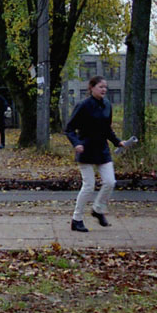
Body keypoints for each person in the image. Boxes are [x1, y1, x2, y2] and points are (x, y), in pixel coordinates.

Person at [64, 75, 124, 233]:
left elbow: (107, 129)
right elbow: (69, 128)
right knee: (89, 185)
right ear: (91, 88)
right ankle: (76, 220)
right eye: (100, 87)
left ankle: (97, 209)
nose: (104, 89)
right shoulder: (83, 105)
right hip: (86, 149)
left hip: (102, 150)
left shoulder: (107, 105)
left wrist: (117, 142)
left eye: (105, 87)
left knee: (110, 182)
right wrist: (76, 143)